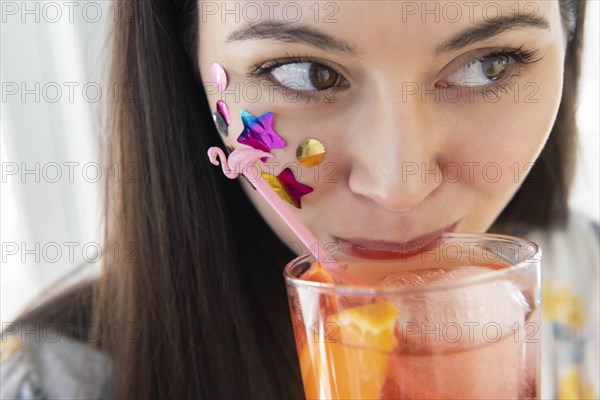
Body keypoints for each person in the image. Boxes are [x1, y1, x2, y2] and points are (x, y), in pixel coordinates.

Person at [1, 0, 598, 398]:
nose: (399, 185)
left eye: (488, 64)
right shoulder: (51, 383)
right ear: (184, 61)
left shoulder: (588, 282)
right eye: (305, 72)